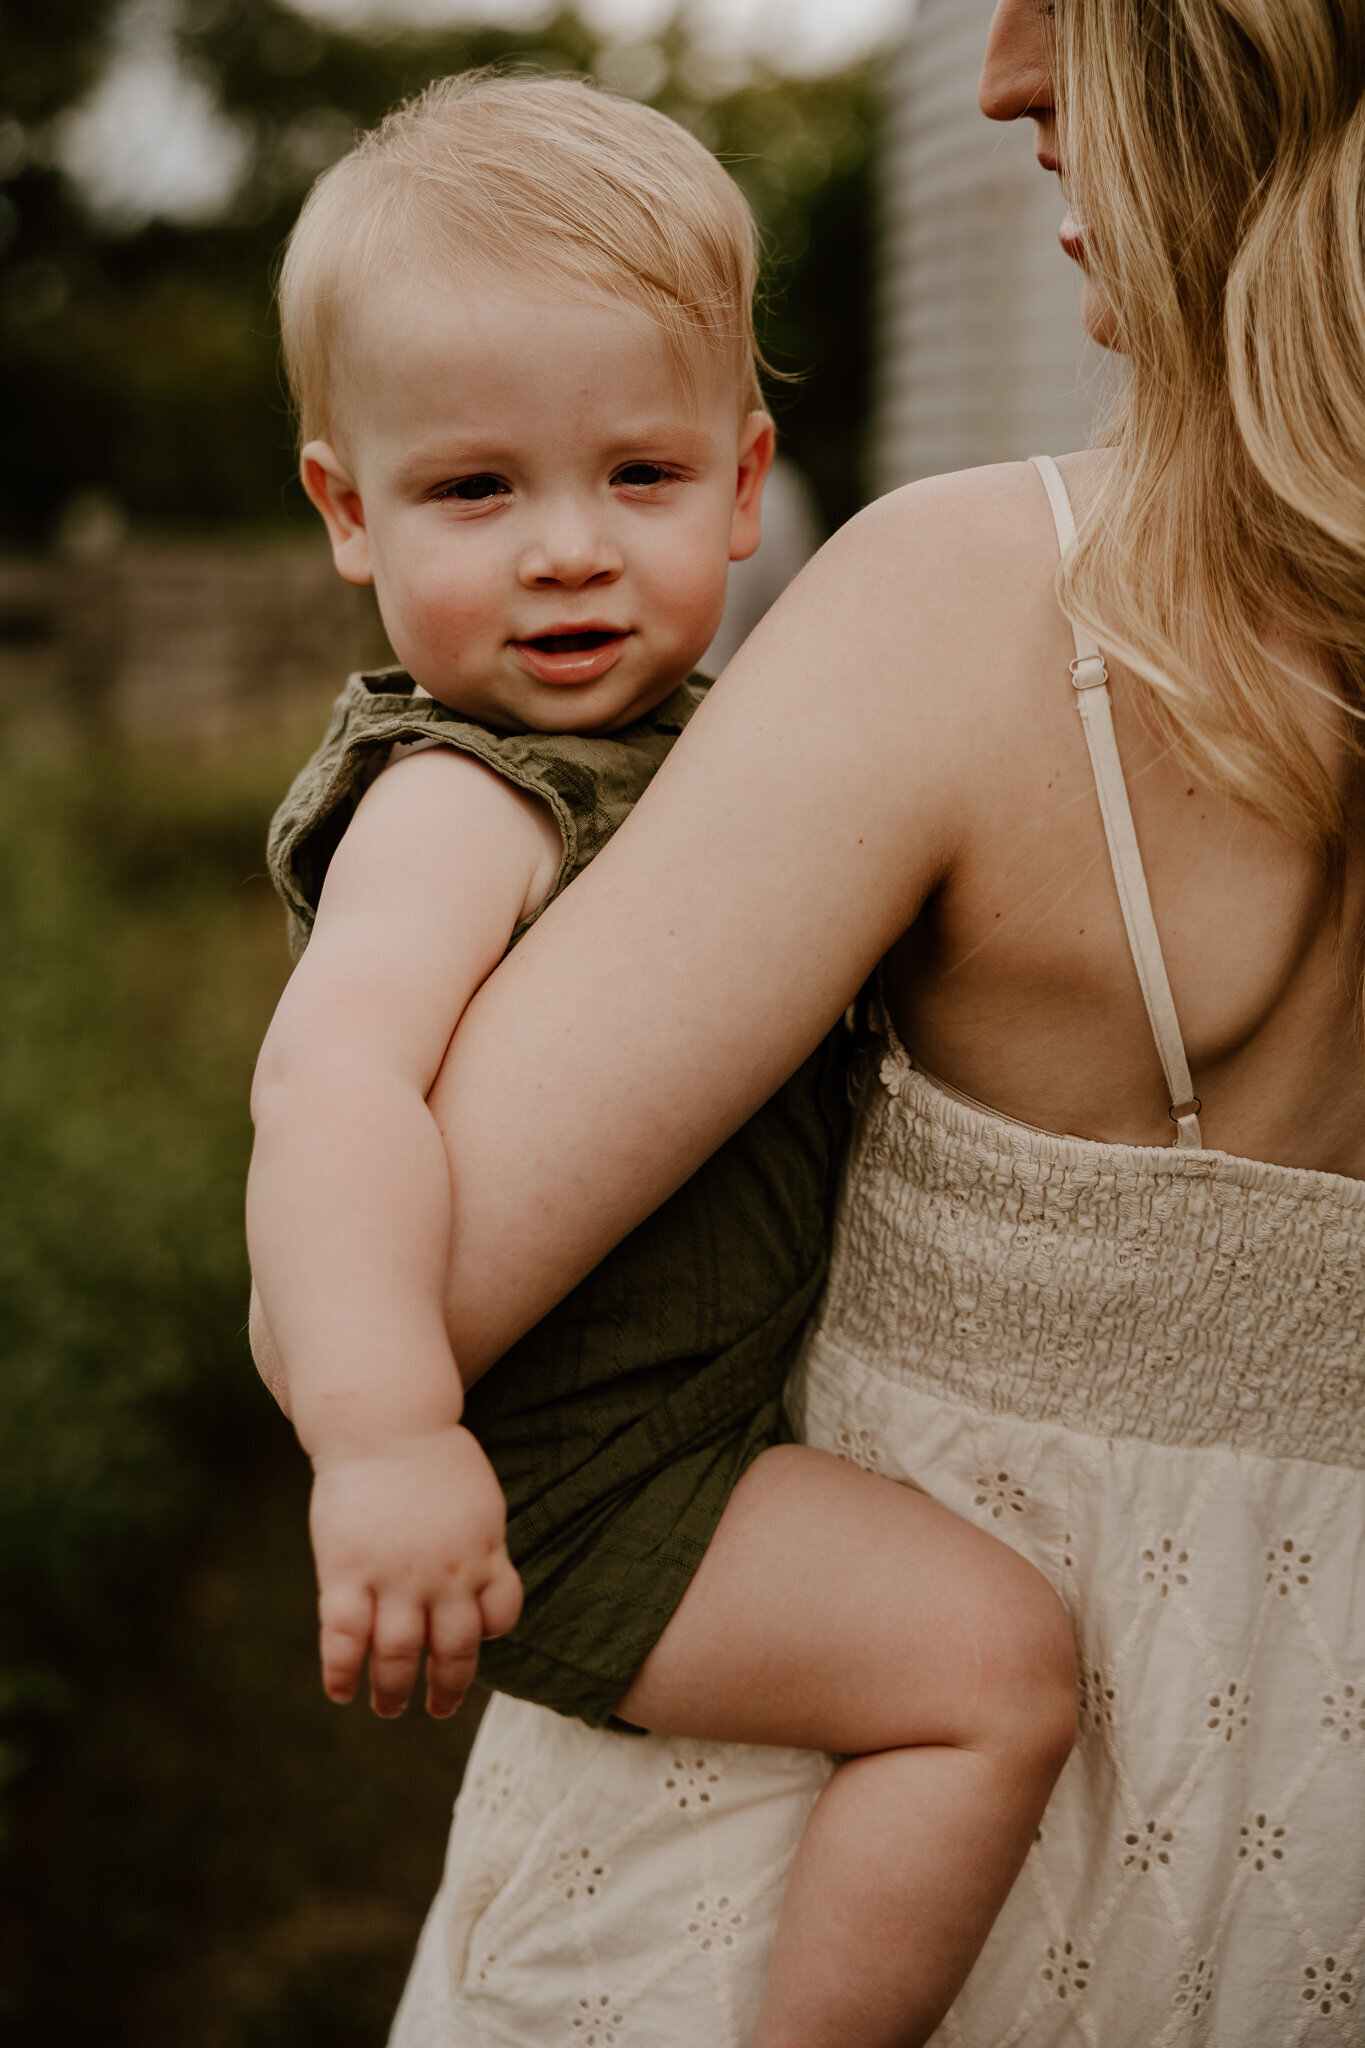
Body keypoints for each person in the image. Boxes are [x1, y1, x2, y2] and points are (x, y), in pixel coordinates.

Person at [376, 3, 1365, 2043]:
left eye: (1066, 4)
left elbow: (403, 1273)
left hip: (800, 1862)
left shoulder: (983, 610)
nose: (1002, 73)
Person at [246, 72, 1078, 2048]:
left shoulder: (723, 733)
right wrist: (381, 1438)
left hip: (691, 1412)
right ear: (346, 510)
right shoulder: (460, 793)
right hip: (574, 1472)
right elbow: (330, 1086)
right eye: (474, 490)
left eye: (633, 476)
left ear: (738, 478)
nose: (564, 551)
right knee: (988, 1670)